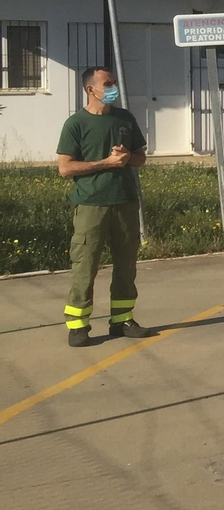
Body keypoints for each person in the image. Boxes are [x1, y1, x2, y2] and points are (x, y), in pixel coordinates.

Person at [56, 66, 155, 347]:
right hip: (91, 206)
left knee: (126, 265)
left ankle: (122, 320)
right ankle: (78, 326)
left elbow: (140, 158)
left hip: (124, 202)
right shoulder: (76, 124)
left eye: (113, 82)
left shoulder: (124, 119)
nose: (113, 87)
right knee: (85, 266)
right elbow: (65, 168)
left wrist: (127, 157)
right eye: (108, 83)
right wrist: (105, 164)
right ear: (91, 90)